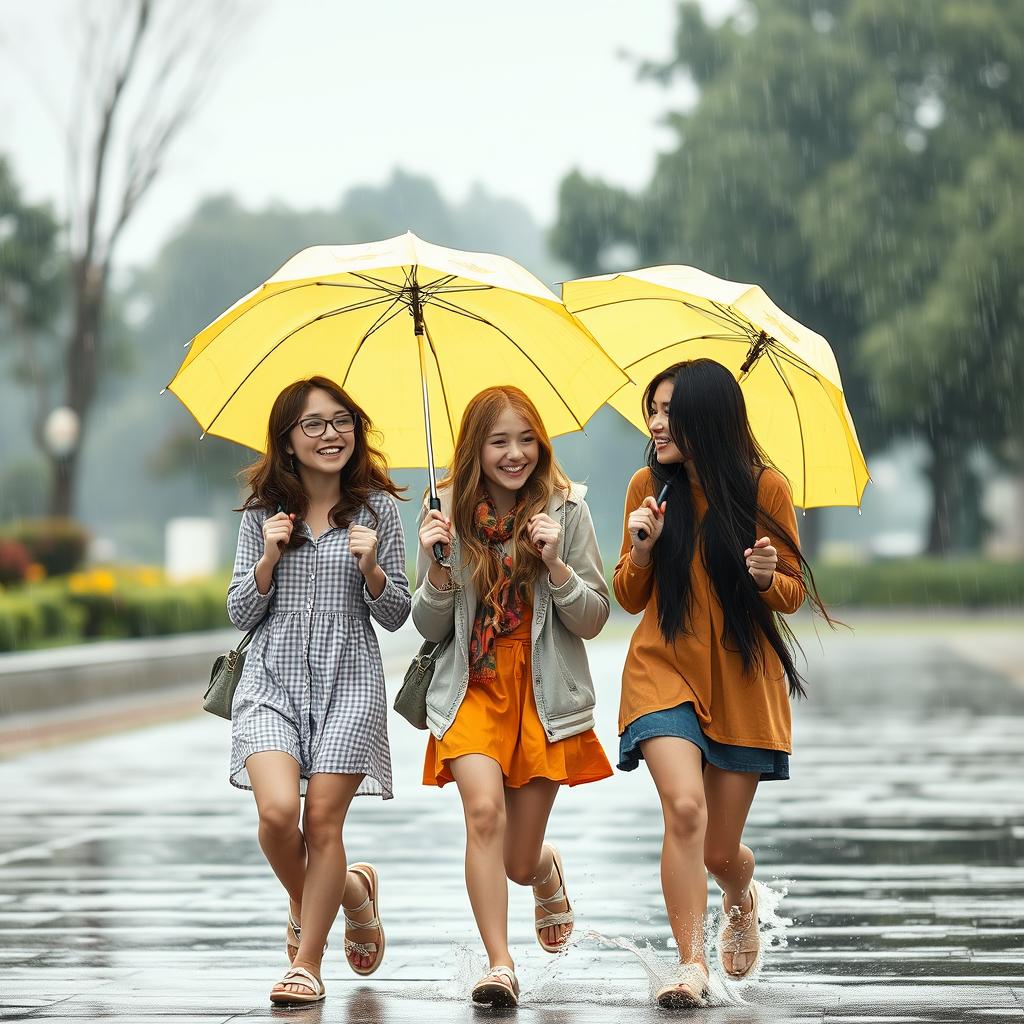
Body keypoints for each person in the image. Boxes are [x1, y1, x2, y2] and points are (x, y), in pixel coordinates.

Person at [613, 359, 828, 1009]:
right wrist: (643, 548)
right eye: (651, 408)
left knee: (717, 850)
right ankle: (690, 964)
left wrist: (766, 575)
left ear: (708, 416)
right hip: (662, 669)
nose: (655, 421)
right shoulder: (648, 487)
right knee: (683, 808)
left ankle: (740, 894)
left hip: (741, 680)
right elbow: (628, 594)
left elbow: (790, 593)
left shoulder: (765, 489)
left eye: (668, 409)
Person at [413, 385, 613, 1008]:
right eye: (499, 441)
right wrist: (440, 567)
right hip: (471, 684)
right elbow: (429, 625)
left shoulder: (567, 508)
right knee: (482, 815)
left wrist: (557, 565)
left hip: (542, 690)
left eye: (526, 439)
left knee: (516, 860)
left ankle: (542, 867)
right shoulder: (442, 508)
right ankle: (500, 964)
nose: (514, 453)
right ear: (476, 448)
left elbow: (595, 616)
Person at [226, 376, 410, 1006]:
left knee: (322, 821)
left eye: (342, 422)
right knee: (278, 816)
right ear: (288, 439)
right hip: (272, 678)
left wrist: (372, 568)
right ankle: (352, 894)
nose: (331, 435)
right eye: (315, 424)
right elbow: (240, 612)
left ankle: (307, 963)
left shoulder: (378, 509)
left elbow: (395, 615)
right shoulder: (261, 513)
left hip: (350, 680)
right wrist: (268, 560)